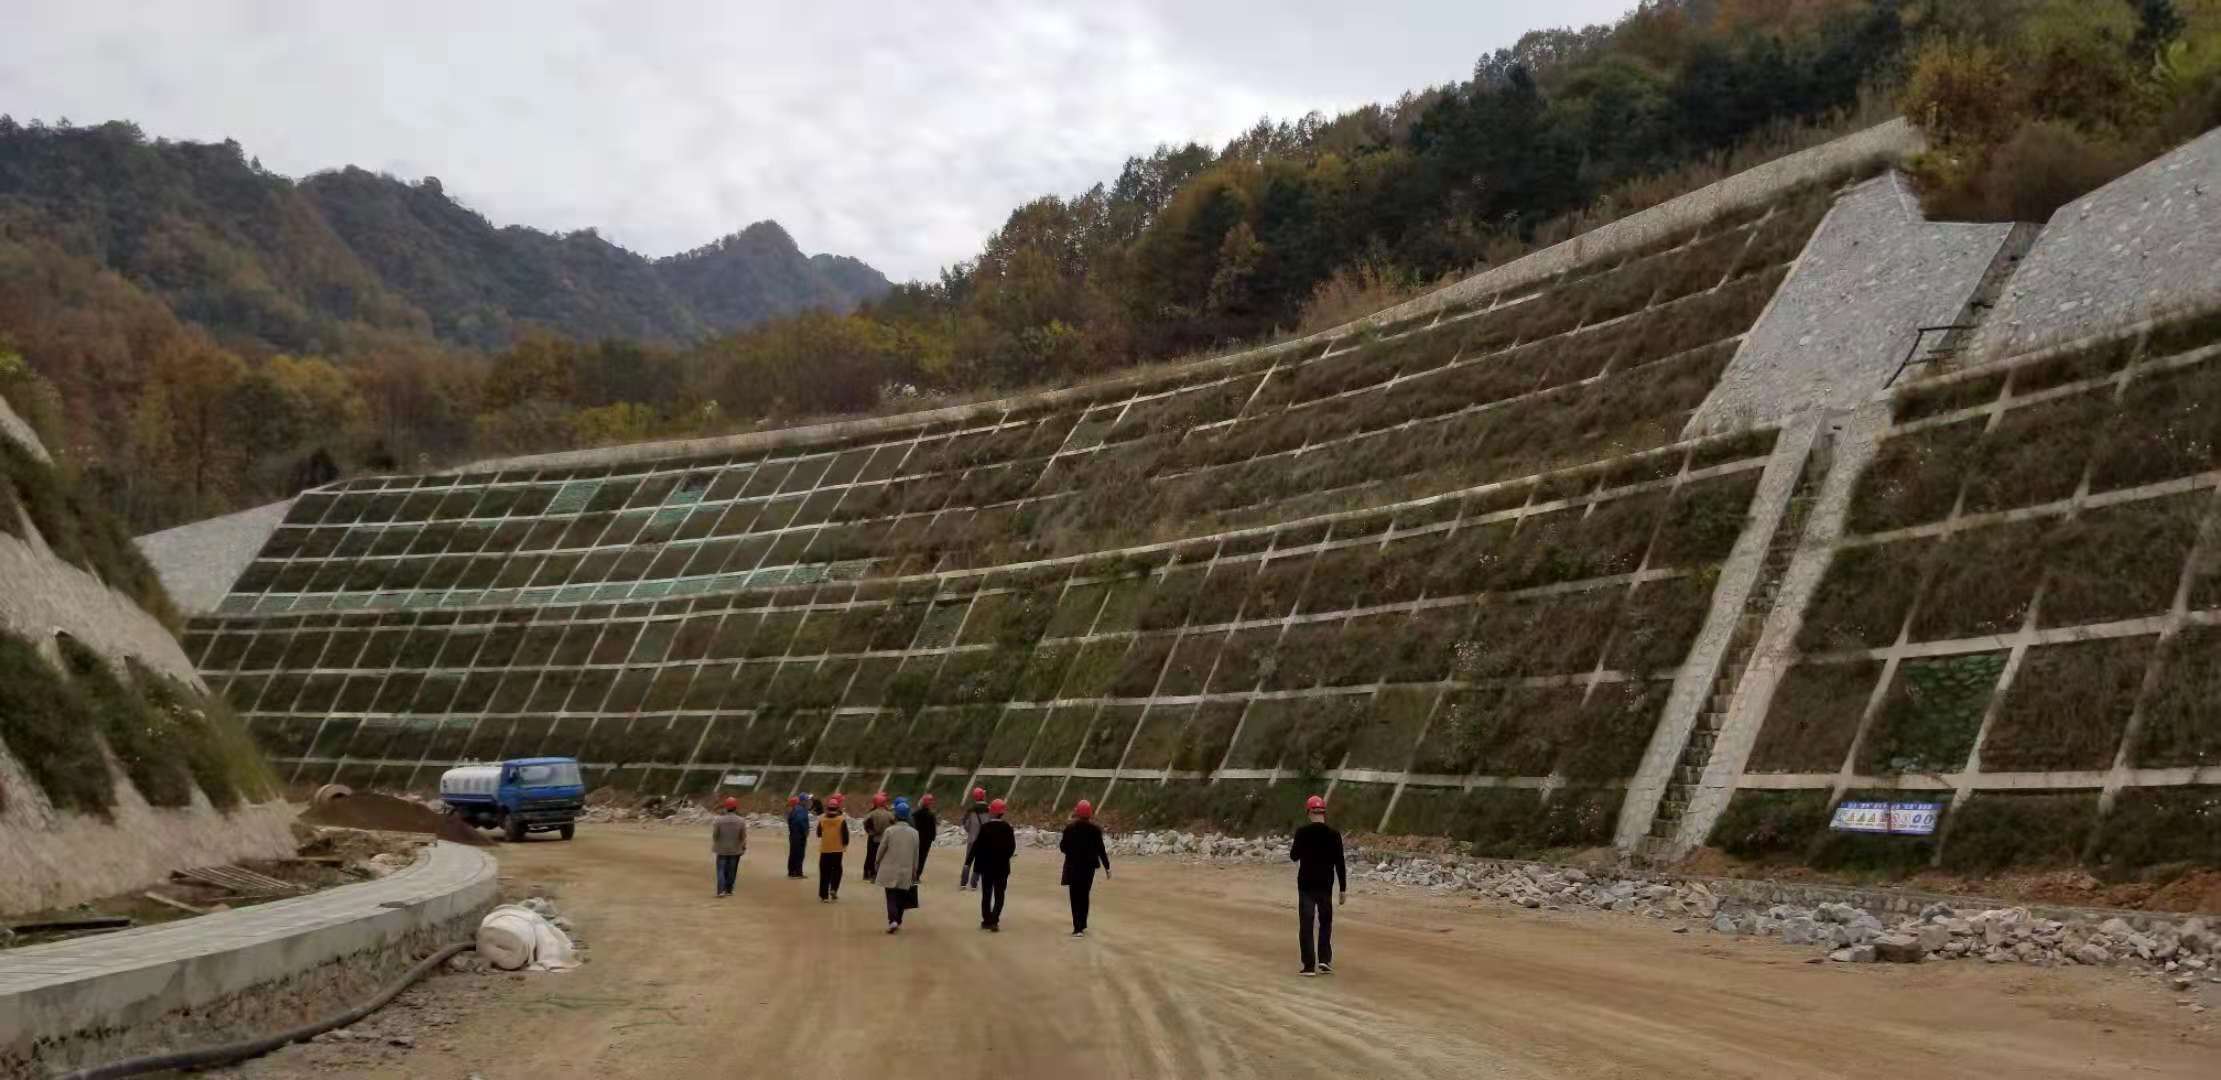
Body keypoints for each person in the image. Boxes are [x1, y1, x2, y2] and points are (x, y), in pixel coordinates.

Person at [1289, 794, 1348, 976]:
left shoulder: (1302, 833)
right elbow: (1340, 863)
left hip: (1306, 885)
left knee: (1306, 924)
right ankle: (1324, 960)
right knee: (1325, 922)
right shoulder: (1334, 835)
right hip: (1325, 885)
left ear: (1309, 812)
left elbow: (1293, 856)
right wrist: (1343, 889)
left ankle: (1308, 966)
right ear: (1324, 812)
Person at [1058, 799, 1111, 937]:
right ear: (1090, 814)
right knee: (1084, 894)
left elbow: (1062, 847)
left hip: (1073, 867)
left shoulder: (1069, 829)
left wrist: (1072, 852)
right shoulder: (1095, 830)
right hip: (1089, 869)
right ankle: (1083, 923)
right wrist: (1107, 867)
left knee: (1074, 896)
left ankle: (1077, 928)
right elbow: (1101, 850)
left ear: (1077, 812)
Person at [877, 798, 922, 934]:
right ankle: (898, 919)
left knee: (891, 896)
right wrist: (915, 870)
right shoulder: (915, 833)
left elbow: (882, 848)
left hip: (889, 868)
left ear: (895, 815)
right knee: (902, 896)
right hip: (906, 869)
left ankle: (893, 920)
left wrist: (877, 861)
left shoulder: (890, 831)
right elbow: (916, 853)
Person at [972, 798, 1017, 931]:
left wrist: (976, 868)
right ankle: (994, 920)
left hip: (987, 868)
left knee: (986, 894)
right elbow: (1011, 848)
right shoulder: (1008, 828)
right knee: (999, 894)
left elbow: (978, 849)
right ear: (1002, 812)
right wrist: (1003, 858)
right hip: (1002, 867)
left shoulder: (985, 828)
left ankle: (986, 920)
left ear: (991, 812)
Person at [817, 794, 851, 903]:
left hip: (825, 849)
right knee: (837, 870)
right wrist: (845, 844)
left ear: (828, 807)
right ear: (837, 808)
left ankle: (824, 896)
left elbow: (818, 833)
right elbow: (845, 836)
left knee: (824, 872)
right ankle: (834, 889)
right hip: (837, 850)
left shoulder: (822, 819)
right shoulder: (841, 820)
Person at [710, 796, 747, 898]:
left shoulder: (719, 820)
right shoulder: (741, 821)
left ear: (726, 807)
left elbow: (715, 835)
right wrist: (743, 846)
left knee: (721, 870)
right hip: (735, 849)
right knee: (732, 870)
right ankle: (729, 890)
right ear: (736, 807)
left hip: (721, 849)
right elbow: (743, 836)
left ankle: (721, 890)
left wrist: (718, 843)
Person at [958, 787, 989, 890]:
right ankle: (974, 884)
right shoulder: (989, 810)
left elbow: (965, 823)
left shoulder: (971, 809)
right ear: (983, 796)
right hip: (984, 840)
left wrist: (970, 831)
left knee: (968, 861)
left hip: (972, 839)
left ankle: (963, 883)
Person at [862, 792, 895, 883]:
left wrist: (871, 832)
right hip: (885, 838)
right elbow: (894, 824)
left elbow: (865, 823)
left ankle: (870, 874)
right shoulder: (889, 814)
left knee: (872, 856)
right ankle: (879, 874)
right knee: (883, 857)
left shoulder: (871, 813)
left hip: (874, 838)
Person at [912, 793, 940, 880]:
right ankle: (917, 875)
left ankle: (911, 874)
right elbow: (933, 829)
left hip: (915, 838)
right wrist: (932, 838)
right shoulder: (931, 815)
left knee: (913, 857)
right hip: (926, 841)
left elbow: (912, 825)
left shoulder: (915, 814)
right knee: (922, 858)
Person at [784, 794, 811, 879]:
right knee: (799, 854)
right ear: (803, 801)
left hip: (794, 834)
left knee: (793, 854)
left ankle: (792, 872)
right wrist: (805, 831)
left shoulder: (797, 808)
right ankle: (797, 872)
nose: (808, 802)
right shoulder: (801, 810)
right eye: (807, 800)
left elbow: (790, 820)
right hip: (799, 835)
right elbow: (800, 821)